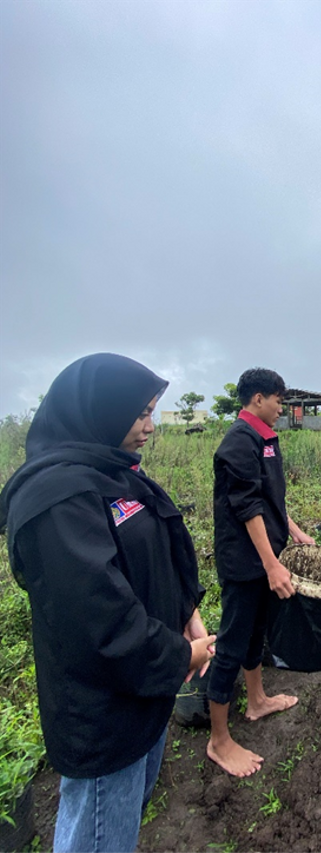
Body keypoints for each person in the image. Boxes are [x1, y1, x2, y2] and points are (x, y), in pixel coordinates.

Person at [0, 354, 216, 853]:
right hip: (104, 708)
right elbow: (95, 613)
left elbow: (163, 553)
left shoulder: (117, 473)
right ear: (99, 410)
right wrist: (182, 655)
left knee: (122, 820)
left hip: (146, 687)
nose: (149, 425)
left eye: (152, 411)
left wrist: (189, 616)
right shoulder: (58, 497)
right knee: (99, 836)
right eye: (139, 412)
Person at [206, 368, 315, 777]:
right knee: (233, 641)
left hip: (267, 551)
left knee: (256, 633)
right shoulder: (238, 442)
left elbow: (271, 499)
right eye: (277, 400)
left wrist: (296, 532)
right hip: (245, 561)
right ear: (257, 399)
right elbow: (247, 506)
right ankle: (218, 740)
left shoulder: (264, 437)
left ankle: (256, 701)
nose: (280, 407)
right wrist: (272, 564)